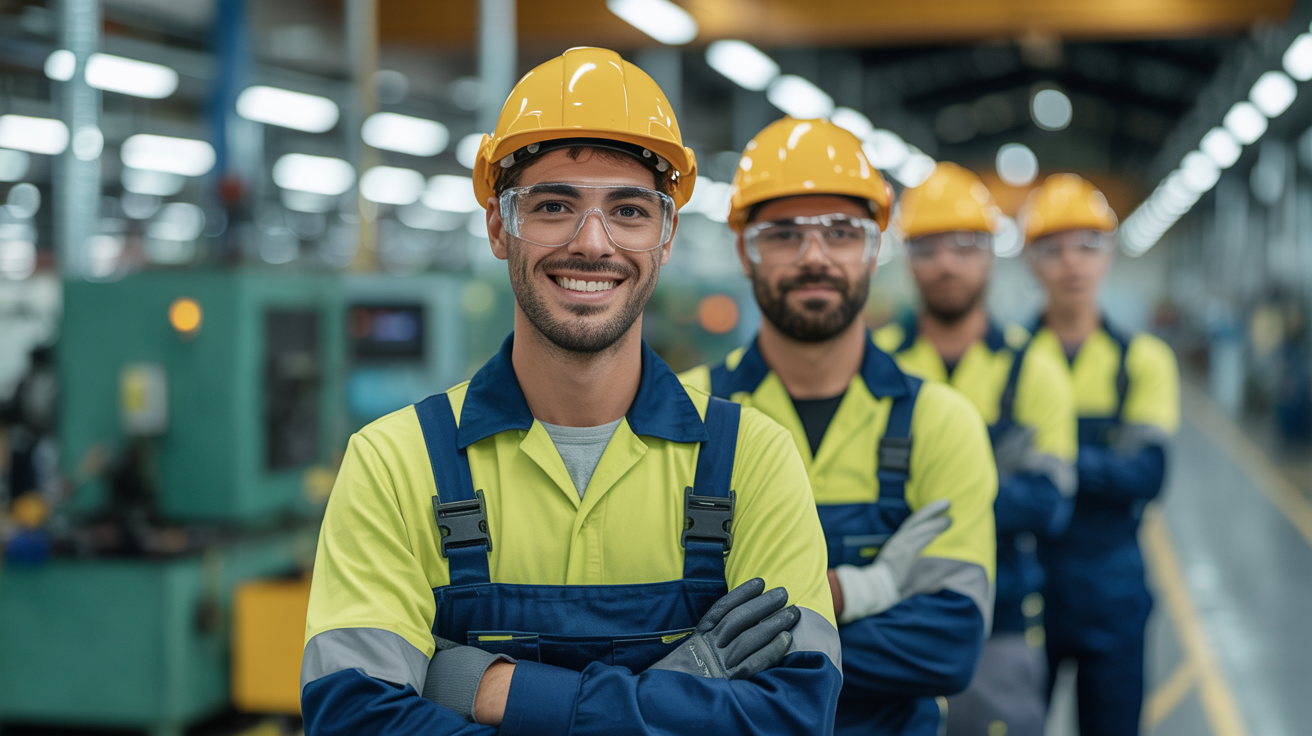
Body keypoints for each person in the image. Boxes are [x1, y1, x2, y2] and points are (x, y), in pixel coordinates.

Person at [298, 48, 842, 736]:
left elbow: (796, 716)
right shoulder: (394, 463)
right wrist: (685, 686)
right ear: (498, 227)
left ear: (666, 235)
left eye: (629, 210)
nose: (592, 243)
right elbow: (352, 720)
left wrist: (497, 689)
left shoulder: (751, 460)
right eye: (553, 206)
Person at [682, 117, 997, 736]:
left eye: (841, 233)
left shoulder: (940, 421)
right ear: (745, 251)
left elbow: (950, 644)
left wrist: (735, 652)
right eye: (783, 234)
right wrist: (868, 593)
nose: (814, 257)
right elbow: (648, 631)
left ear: (874, 250)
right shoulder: (681, 413)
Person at [872, 162, 1077, 736]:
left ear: (990, 255)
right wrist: (993, 486)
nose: (946, 264)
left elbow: (1049, 502)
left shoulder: (1035, 368)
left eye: (964, 246)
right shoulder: (874, 362)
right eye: (928, 247)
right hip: (887, 618)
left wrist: (915, 494)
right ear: (908, 259)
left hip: (1001, 621)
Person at [1020, 174, 1179, 736]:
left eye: (1087, 245)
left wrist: (1043, 462)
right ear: (1030, 261)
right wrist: (1100, 466)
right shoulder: (1008, 358)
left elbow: (1148, 474)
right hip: (1026, 587)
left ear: (1109, 254)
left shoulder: (1143, 360)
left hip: (1113, 590)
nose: (1071, 262)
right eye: (1053, 248)